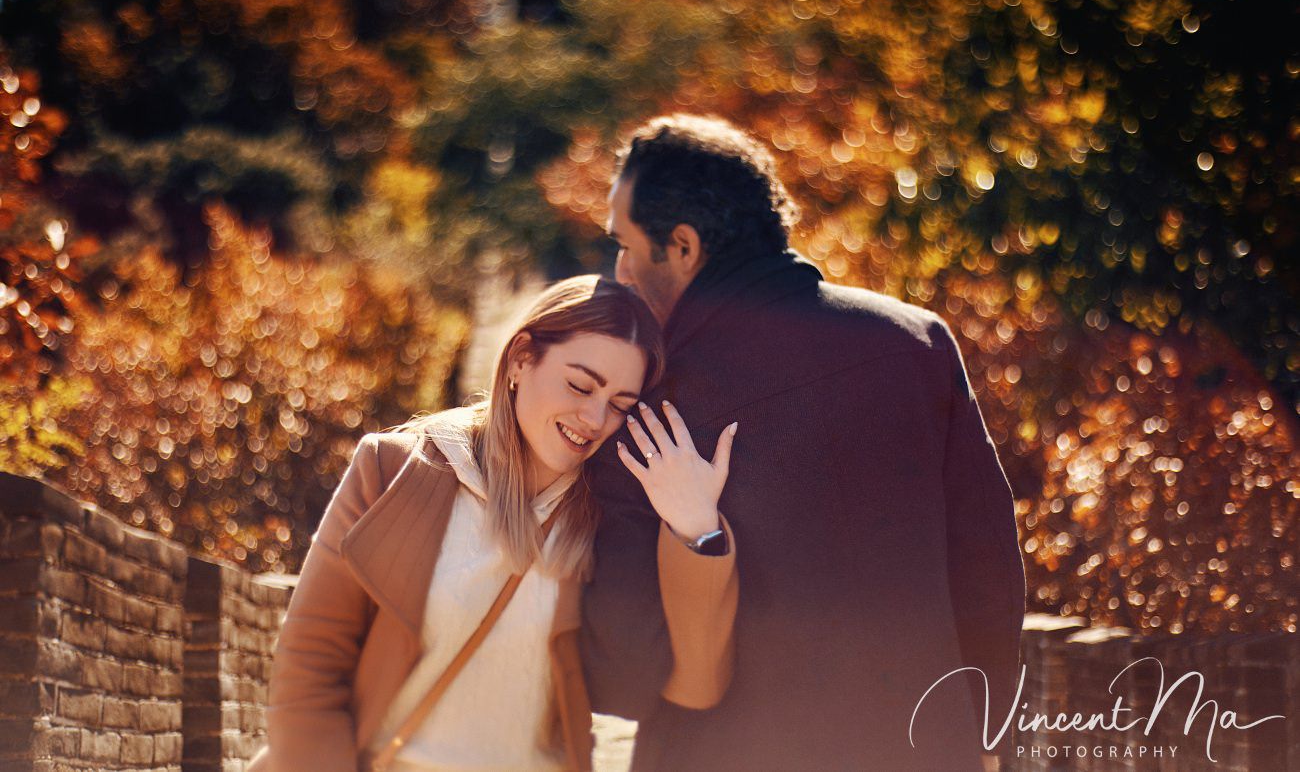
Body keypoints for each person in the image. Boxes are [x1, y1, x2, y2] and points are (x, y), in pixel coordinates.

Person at [580, 115, 1027, 772]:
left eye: (624, 244)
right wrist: (986, 738)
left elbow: (623, 673)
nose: (618, 271)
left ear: (681, 247)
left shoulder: (646, 406)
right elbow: (987, 569)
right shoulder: (915, 343)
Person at [249, 275, 740, 772]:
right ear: (522, 358)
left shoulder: (608, 519)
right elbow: (310, 662)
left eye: (619, 405)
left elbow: (695, 685)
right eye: (579, 385)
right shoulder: (393, 469)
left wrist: (696, 529)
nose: (593, 418)